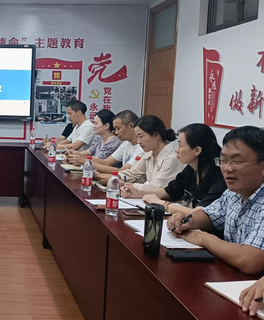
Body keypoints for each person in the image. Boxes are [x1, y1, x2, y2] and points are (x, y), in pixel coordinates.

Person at [168, 126, 264, 275]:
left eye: (237, 161)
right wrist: (186, 220)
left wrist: (203, 238)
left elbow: (250, 260)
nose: (227, 168)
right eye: (223, 160)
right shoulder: (233, 193)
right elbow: (209, 216)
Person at [135, 123, 226, 216]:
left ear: (197, 150)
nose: (177, 150)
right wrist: (138, 193)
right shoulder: (190, 169)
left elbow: (200, 214)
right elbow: (170, 191)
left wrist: (161, 204)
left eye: (180, 145)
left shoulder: (219, 178)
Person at [97, 115, 185, 188]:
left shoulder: (172, 158)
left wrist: (123, 184)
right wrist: (114, 177)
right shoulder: (149, 153)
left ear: (156, 135)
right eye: (137, 137)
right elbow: (132, 173)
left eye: (141, 136)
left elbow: (157, 186)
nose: (138, 141)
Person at [91, 110, 144, 175]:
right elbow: (106, 162)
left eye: (118, 128)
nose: (116, 133)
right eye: (115, 129)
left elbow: (123, 171)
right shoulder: (126, 143)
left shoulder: (143, 147)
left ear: (131, 126)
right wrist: (85, 160)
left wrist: (87, 162)